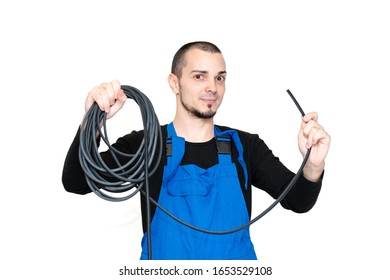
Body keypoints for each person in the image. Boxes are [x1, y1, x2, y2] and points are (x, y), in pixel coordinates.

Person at [62, 41, 331, 260]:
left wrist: (314, 166)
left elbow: (298, 201)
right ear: (174, 83)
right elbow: (75, 182)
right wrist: (92, 120)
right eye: (199, 76)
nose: (212, 87)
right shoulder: (146, 145)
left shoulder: (245, 147)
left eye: (220, 77)